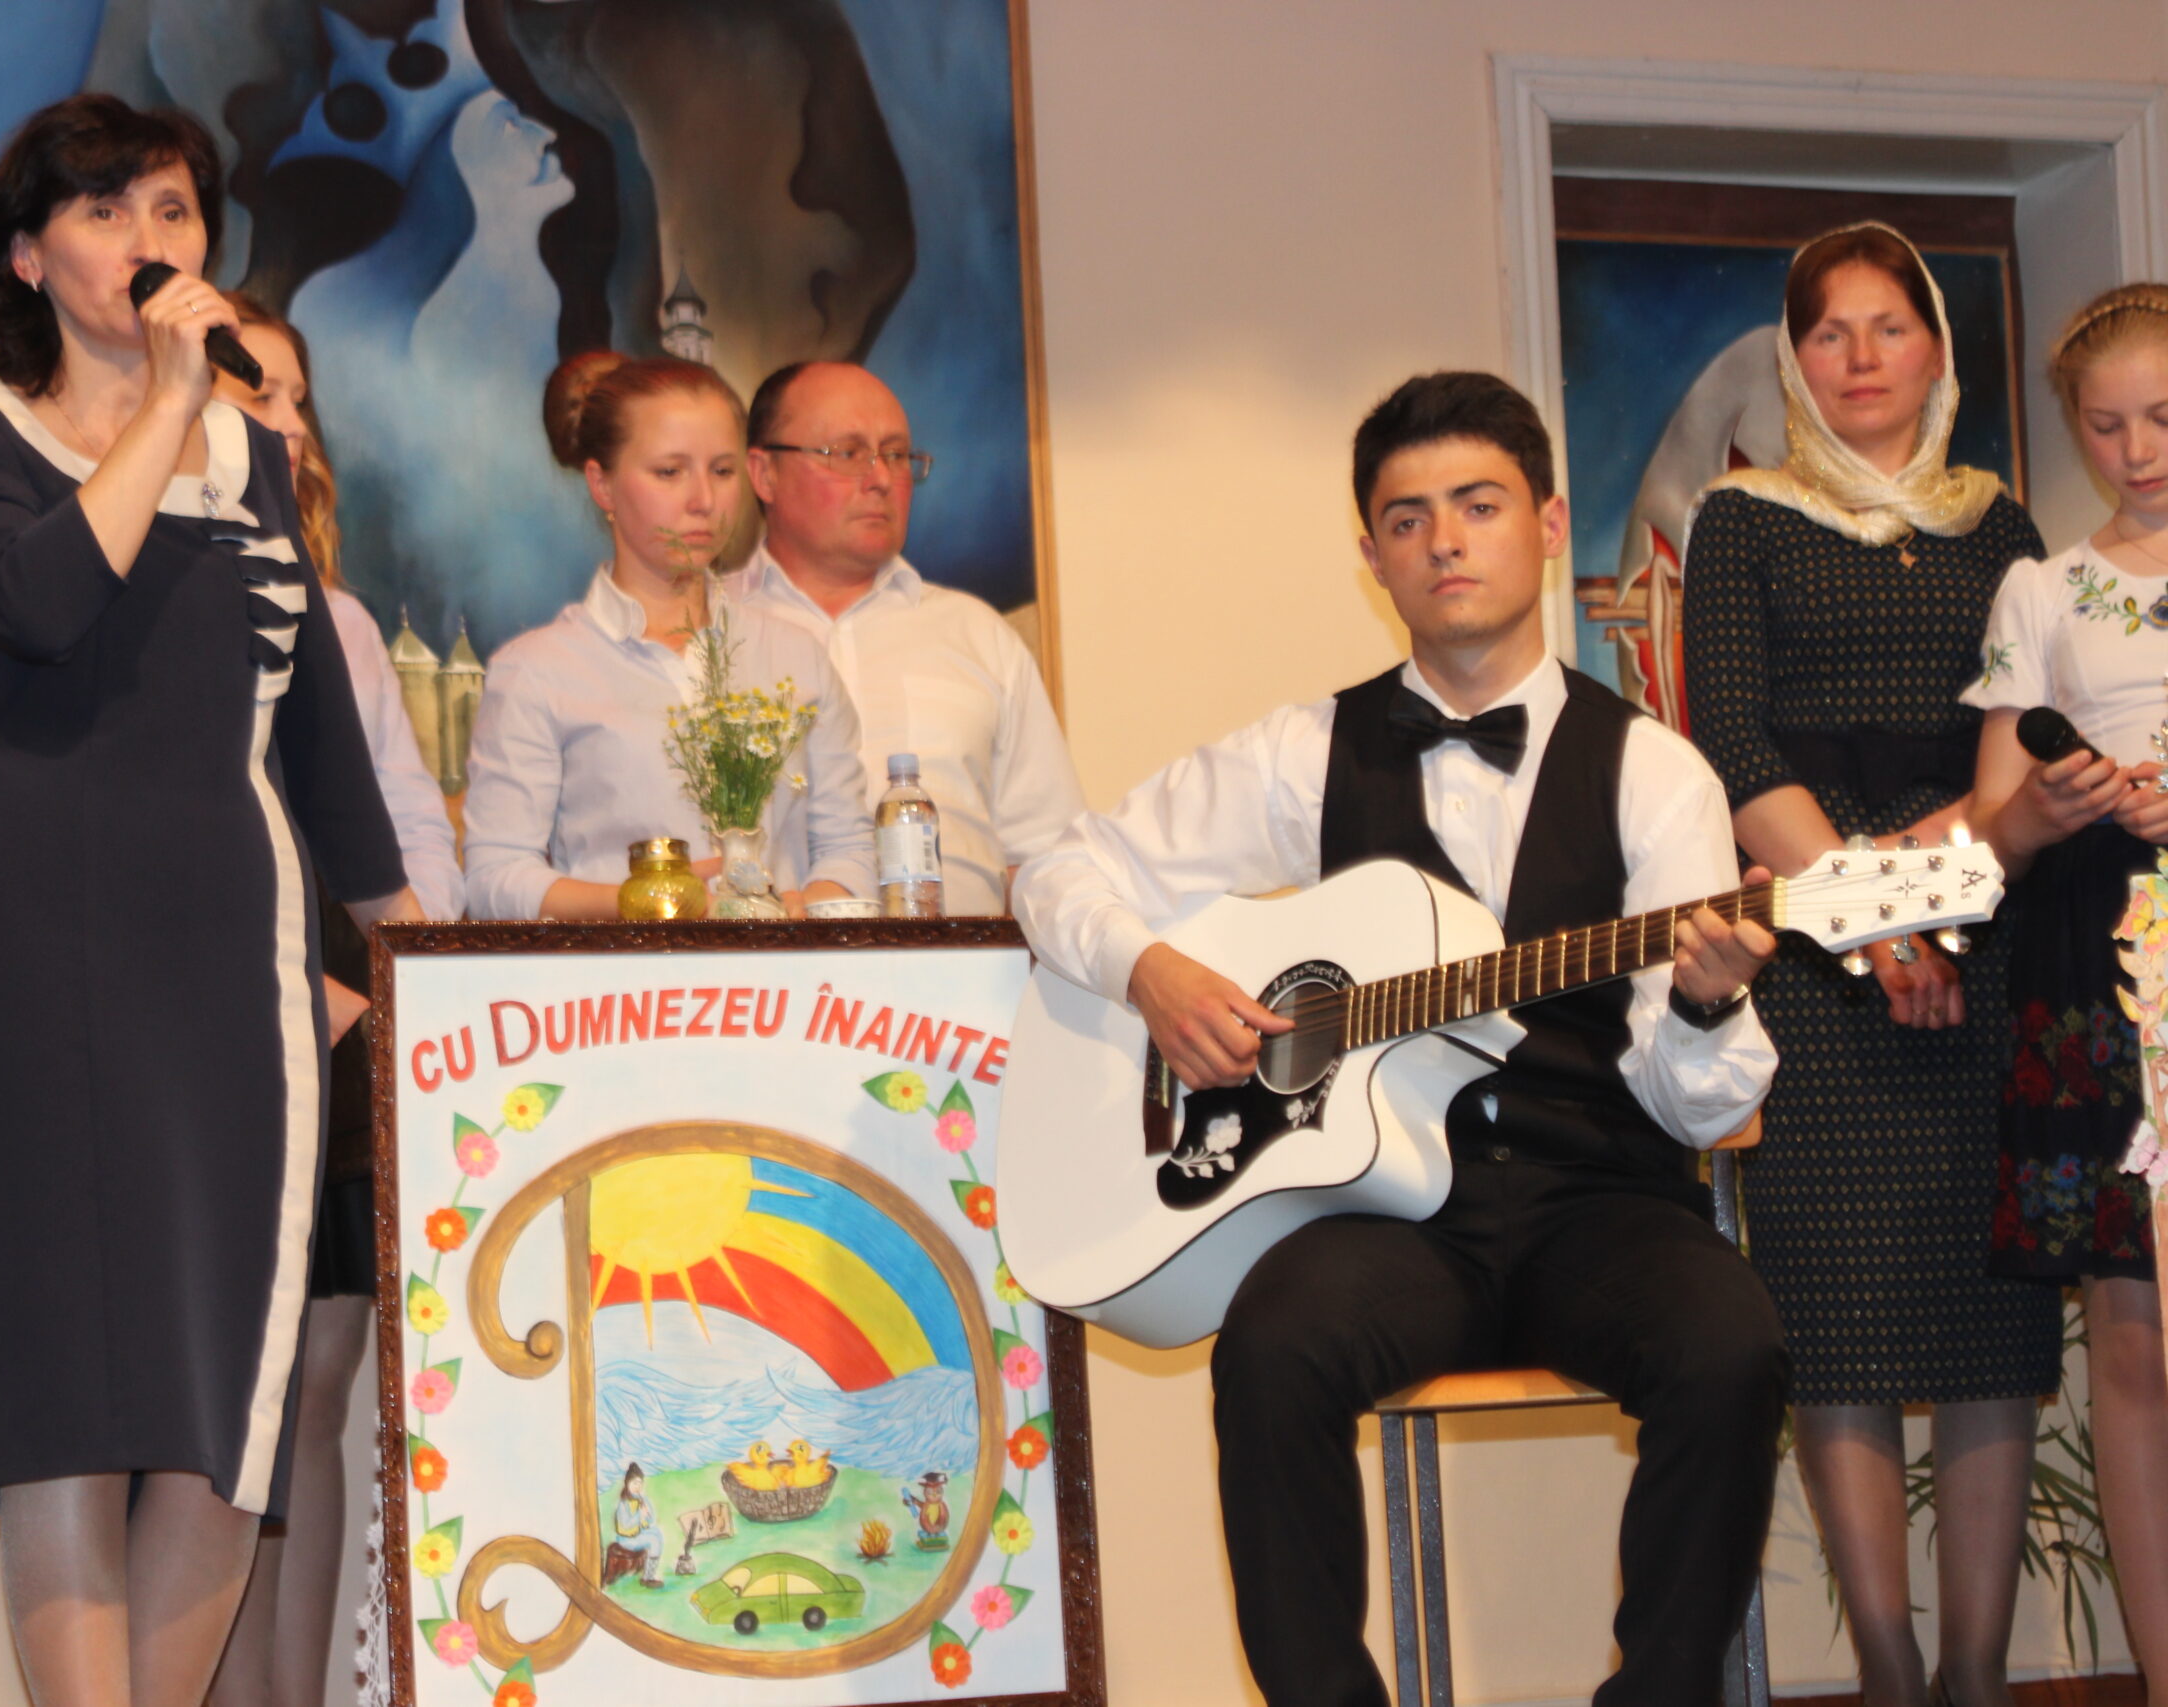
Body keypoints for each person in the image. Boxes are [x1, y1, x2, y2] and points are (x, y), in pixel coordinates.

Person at [1015, 371, 1787, 1707]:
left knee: (1732, 1345)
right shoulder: (1304, 750)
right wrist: (1150, 972)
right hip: (1389, 1221)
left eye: (1478, 505)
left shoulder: (1656, 771)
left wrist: (1707, 1001)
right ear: (1371, 555)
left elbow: (1697, 1107)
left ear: (1547, 523)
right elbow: (1058, 870)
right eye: (1407, 517)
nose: (1444, 542)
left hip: (1596, 1197)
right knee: (1272, 1346)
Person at [0, 94, 420, 1707]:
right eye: (108, 208)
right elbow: (42, 605)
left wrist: (414, 955)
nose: (151, 240)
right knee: (68, 1402)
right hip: (29, 942)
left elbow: (319, 739)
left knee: (223, 1407)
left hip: (226, 956)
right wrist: (169, 403)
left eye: (177, 210)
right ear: (28, 256)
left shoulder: (255, 460)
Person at [1683, 222, 2054, 1707]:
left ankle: (1977, 1672)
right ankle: (1892, 1672)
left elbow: (2025, 740)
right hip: (1817, 958)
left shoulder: (2002, 525)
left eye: (1888, 326)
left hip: (1986, 934)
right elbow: (1733, 742)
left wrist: (1934, 900)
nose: (1859, 358)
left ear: (1936, 347)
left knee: (1987, 1325)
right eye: (1827, 332)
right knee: (1834, 1319)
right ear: (1793, 358)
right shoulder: (1741, 519)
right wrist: (1873, 916)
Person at [205, 296, 464, 1707]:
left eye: (299, 399)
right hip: (224, 1030)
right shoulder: (162, 601)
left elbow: (400, 822)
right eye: (259, 393)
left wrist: (421, 988)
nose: (289, 423)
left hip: (349, 1031)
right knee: (224, 1416)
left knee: (320, 1389)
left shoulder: (347, 620)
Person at [1963, 283, 2168, 1702]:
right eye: (2104, 425)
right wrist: (2049, 803)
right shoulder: (2039, 590)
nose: (2135, 450)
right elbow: (1991, 827)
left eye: (2162, 416)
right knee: (2133, 1339)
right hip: (2099, 953)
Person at [461, 352, 875, 920]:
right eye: (669, 472)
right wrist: (654, 904)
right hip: (618, 976)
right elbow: (495, 878)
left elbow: (849, 848)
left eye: (722, 471)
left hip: (783, 971)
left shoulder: (794, 654)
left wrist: (802, 910)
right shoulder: (538, 670)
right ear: (602, 484)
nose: (703, 500)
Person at [734, 361, 1082, 913]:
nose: (880, 478)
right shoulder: (709, 634)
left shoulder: (976, 634)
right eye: (847, 453)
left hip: (960, 962)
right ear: (764, 474)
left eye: (896, 455)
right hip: (762, 963)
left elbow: (1048, 858)